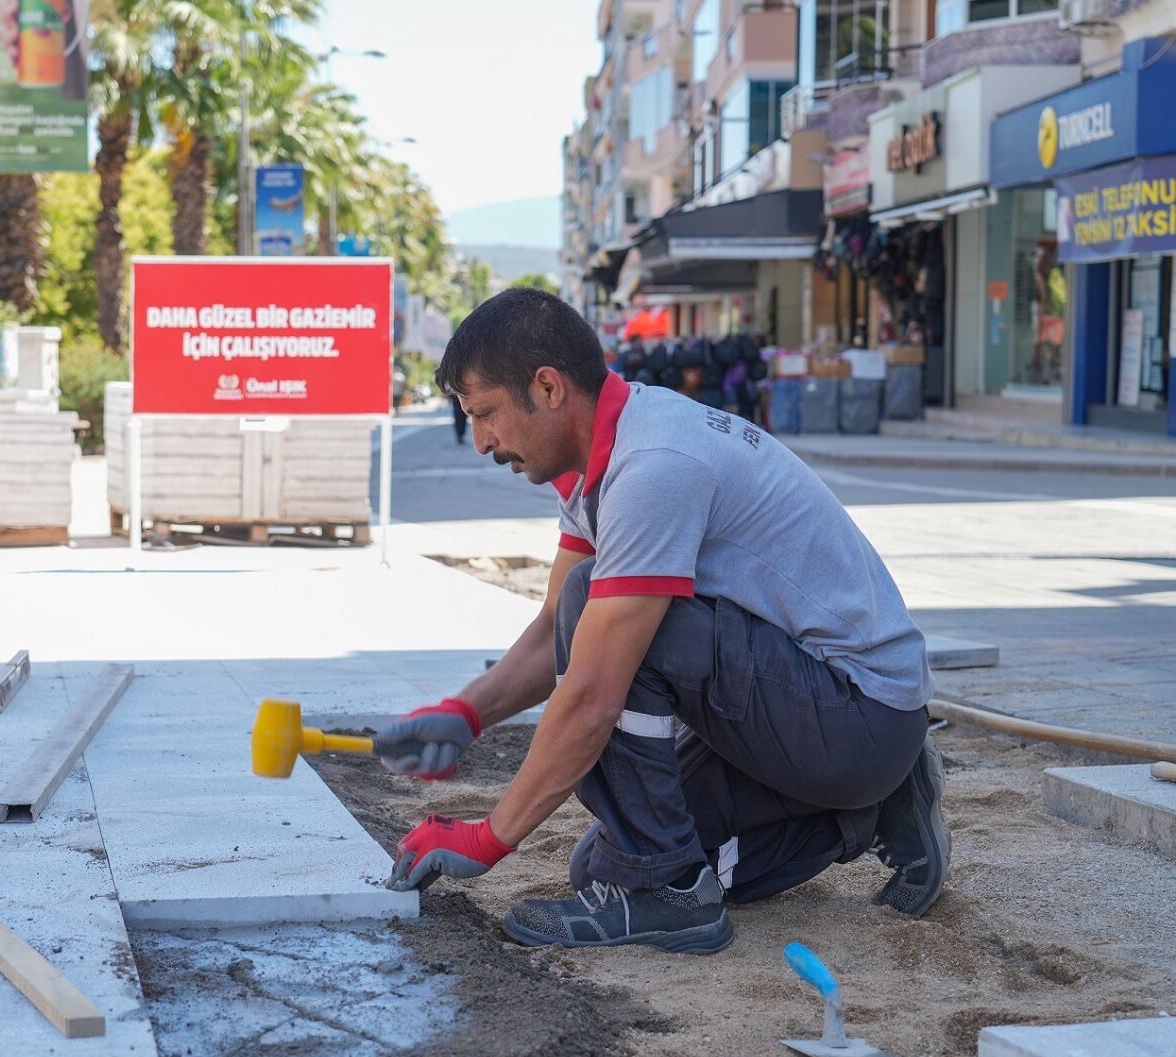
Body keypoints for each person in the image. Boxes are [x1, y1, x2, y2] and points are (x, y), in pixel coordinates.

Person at [374, 288, 945, 955]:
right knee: (600, 865)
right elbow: (553, 624)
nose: (481, 442)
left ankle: (673, 889)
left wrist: (488, 835)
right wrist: (466, 712)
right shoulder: (605, 458)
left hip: (857, 714)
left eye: (486, 414)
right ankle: (875, 808)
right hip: (832, 712)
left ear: (548, 387)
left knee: (604, 619)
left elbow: (590, 694)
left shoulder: (652, 470)